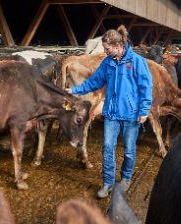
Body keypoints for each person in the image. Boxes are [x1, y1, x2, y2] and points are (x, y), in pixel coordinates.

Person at [66, 25, 153, 198]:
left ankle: (126, 178)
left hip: (131, 113)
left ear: (117, 46)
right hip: (112, 113)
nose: (104, 52)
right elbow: (94, 82)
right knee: (107, 147)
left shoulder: (136, 62)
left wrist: (144, 110)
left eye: (106, 49)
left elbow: (146, 87)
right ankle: (107, 183)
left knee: (128, 149)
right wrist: (74, 90)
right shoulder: (107, 63)